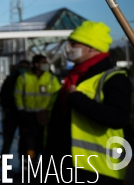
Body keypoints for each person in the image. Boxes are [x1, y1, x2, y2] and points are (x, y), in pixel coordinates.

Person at [43, 21, 131, 185]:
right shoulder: (73, 77)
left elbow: (118, 118)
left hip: (97, 170)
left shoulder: (114, 79)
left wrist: (78, 99)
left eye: (74, 43)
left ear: (92, 47)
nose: (68, 47)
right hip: (61, 165)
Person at [14, 54, 60, 159]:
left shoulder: (52, 78)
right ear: (36, 64)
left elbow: (57, 95)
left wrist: (51, 111)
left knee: (45, 143)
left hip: (46, 117)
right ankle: (29, 166)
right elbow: (17, 95)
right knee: (29, 143)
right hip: (29, 116)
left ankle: (43, 167)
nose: (46, 65)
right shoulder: (24, 78)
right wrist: (22, 111)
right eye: (44, 62)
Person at [0, 60, 29, 155]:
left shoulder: (28, 79)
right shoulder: (11, 79)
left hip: (23, 114)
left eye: (25, 67)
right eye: (22, 67)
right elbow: (3, 94)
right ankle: (5, 159)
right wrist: (5, 107)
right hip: (11, 113)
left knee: (24, 140)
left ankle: (22, 160)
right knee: (8, 139)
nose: (23, 69)